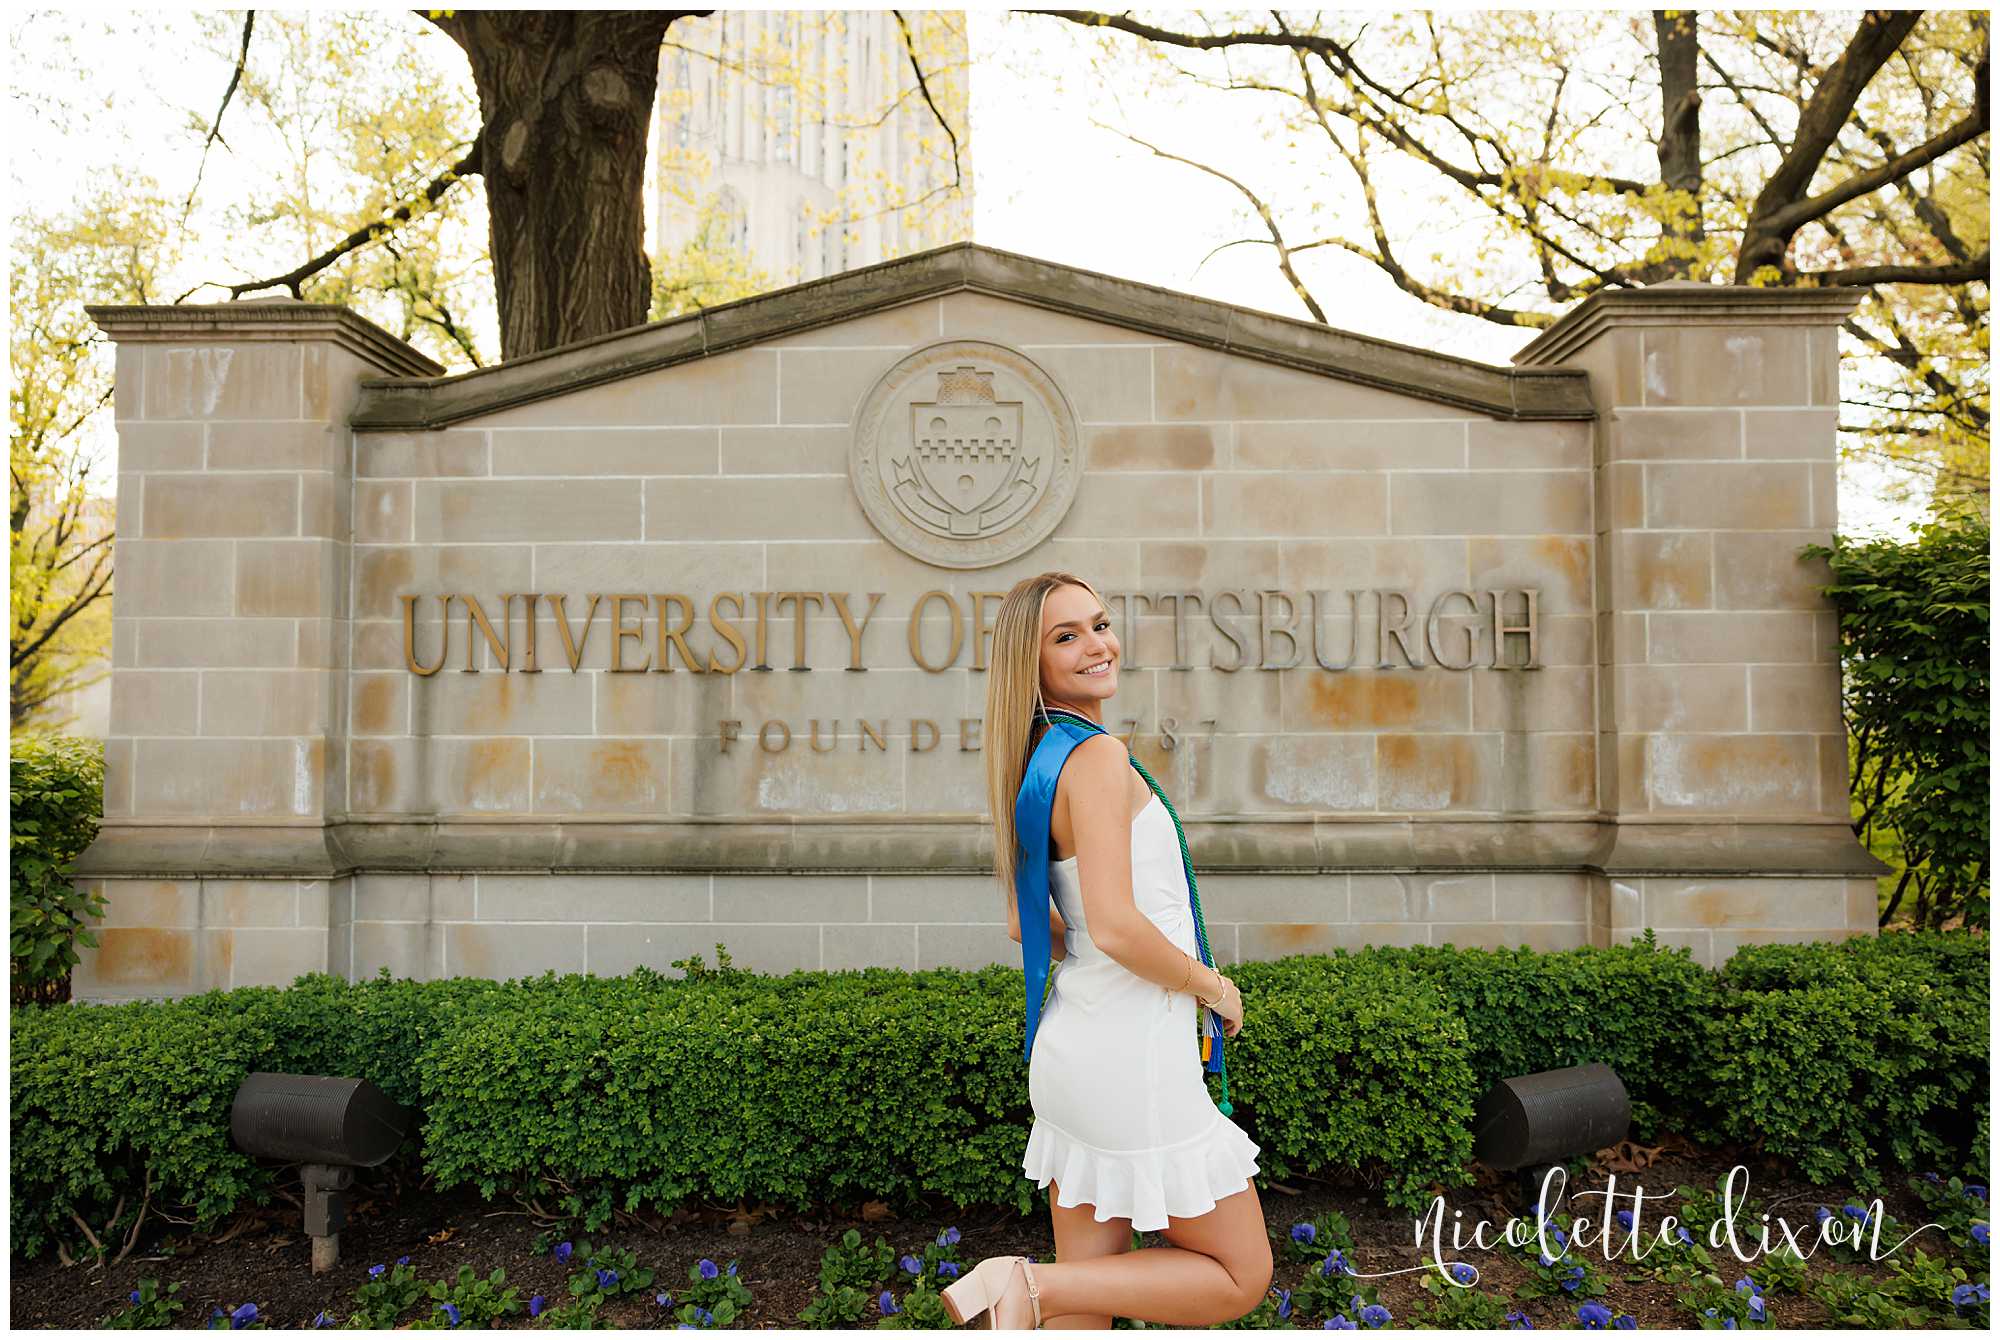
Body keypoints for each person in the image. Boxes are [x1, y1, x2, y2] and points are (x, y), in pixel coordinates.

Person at [941, 572, 1272, 1329]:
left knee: (1089, 1311)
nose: (1097, 645)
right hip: (1132, 1060)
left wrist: (1103, 944)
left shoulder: (1040, 760)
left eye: (1099, 624)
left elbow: (1035, 928)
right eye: (1067, 636)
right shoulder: (1096, 760)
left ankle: (1039, 1295)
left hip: (1076, 1053)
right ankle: (1026, 1286)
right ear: (1033, 664)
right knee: (1237, 1275)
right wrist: (1212, 988)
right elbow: (1118, 928)